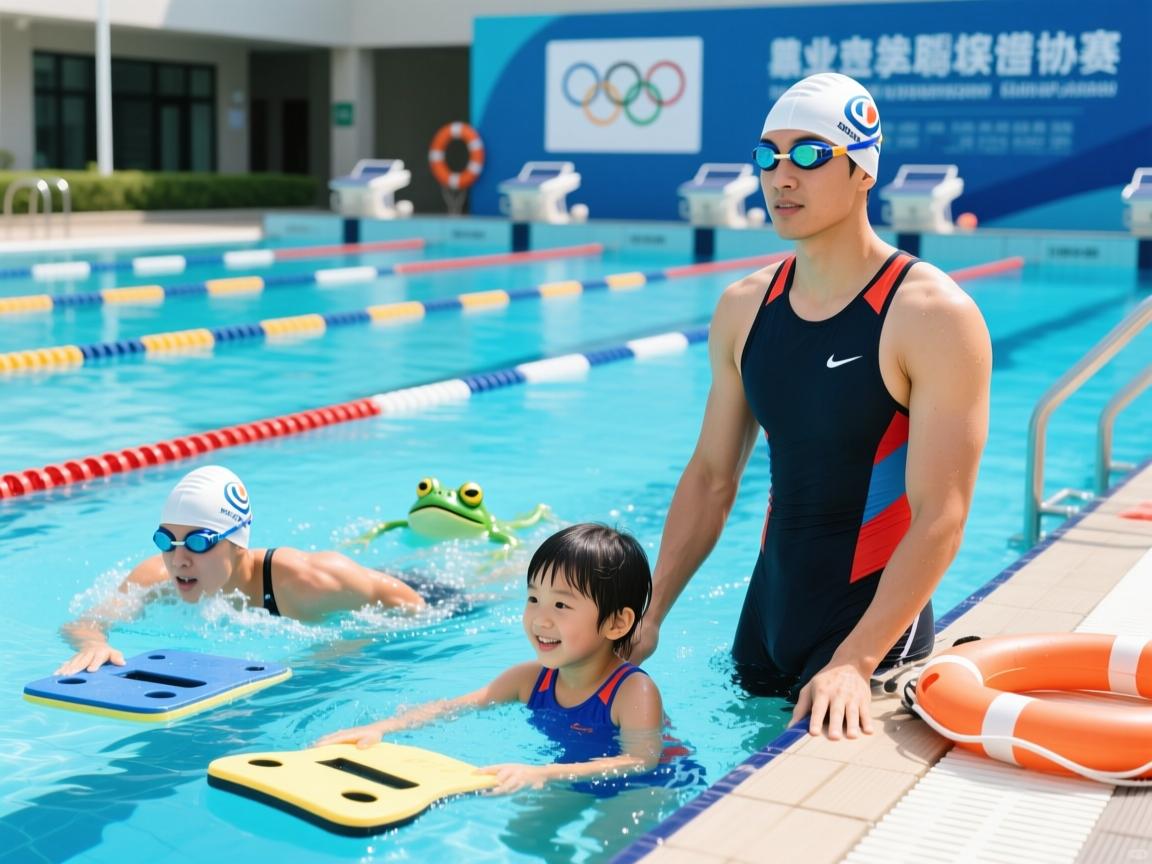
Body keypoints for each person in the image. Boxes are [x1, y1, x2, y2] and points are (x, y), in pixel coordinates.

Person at [632, 73, 992, 741]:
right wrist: (651, 615)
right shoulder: (745, 307)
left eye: (809, 154)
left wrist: (855, 661)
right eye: (768, 156)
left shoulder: (931, 315)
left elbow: (942, 516)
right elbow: (711, 478)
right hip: (763, 624)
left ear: (863, 171)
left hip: (872, 637)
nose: (781, 176)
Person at [316, 522, 666, 794]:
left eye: (561, 604)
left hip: (642, 788)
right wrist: (383, 727)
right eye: (534, 599)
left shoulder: (632, 692)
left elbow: (641, 760)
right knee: (523, 835)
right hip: (563, 773)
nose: (540, 619)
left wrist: (545, 773)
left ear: (617, 623)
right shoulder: (530, 680)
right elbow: (455, 707)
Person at [56, 465, 426, 675]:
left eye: (198, 542)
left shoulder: (307, 580)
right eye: (167, 540)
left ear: (238, 543)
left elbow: (412, 605)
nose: (179, 559)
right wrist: (94, 644)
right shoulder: (154, 579)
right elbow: (84, 623)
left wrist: (347, 646)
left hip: (426, 590)